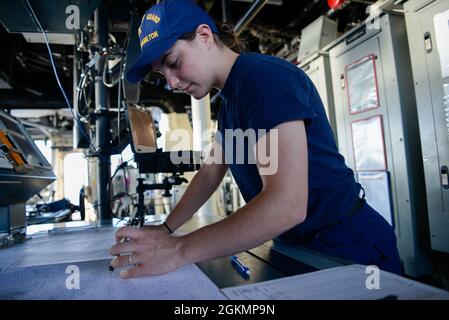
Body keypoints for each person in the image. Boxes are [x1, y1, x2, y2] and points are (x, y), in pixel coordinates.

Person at [109, 0, 402, 278]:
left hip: (349, 245)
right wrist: (167, 228)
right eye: (162, 73)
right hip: (300, 244)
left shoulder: (261, 79)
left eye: (173, 62)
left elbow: (286, 205)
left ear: (204, 36)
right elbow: (211, 172)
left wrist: (179, 250)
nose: (171, 83)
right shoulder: (230, 103)